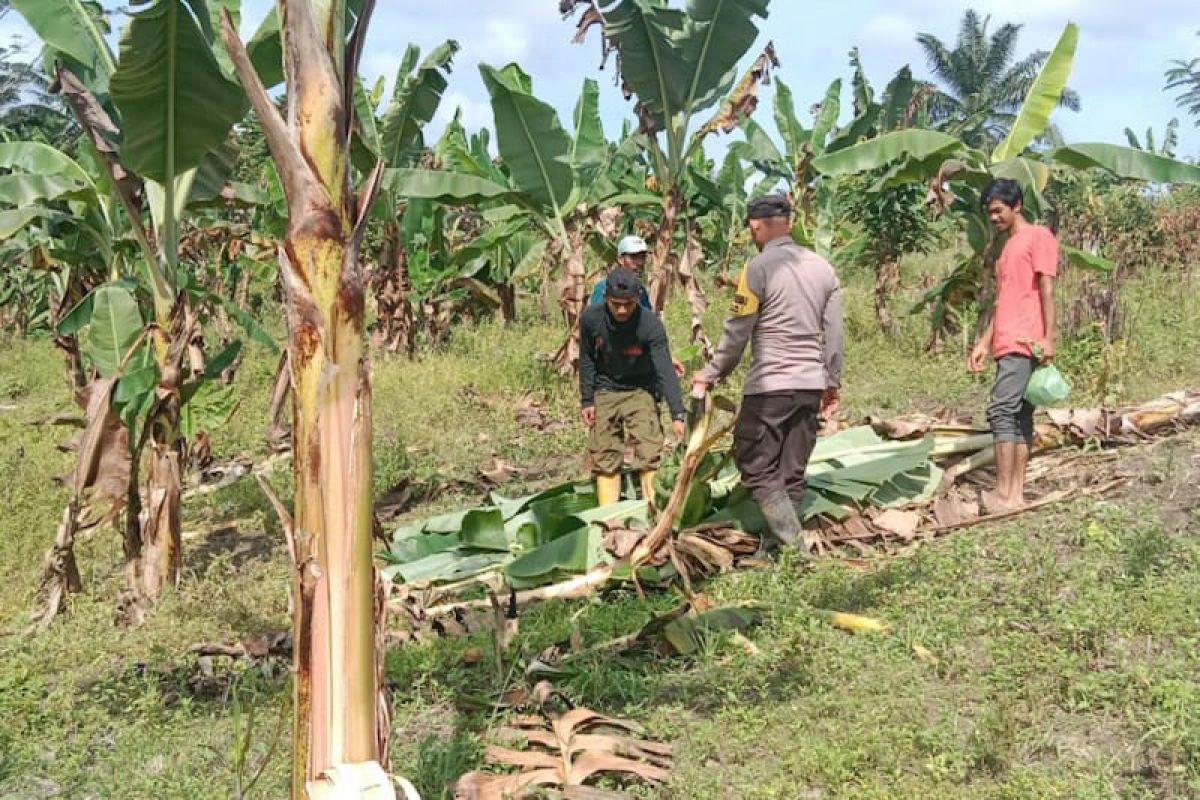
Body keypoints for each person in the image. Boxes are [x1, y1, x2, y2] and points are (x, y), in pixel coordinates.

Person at [692, 195, 844, 556]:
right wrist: (832, 381)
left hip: (771, 385)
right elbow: (834, 333)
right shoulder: (824, 269)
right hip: (810, 383)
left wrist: (713, 372)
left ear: (755, 226)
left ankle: (794, 548)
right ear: (789, 223)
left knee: (755, 462)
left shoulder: (757, 269)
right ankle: (777, 547)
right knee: (791, 470)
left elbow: (737, 331)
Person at [968, 178, 1058, 511]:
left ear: (1016, 205)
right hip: (1006, 339)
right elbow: (1002, 300)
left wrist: (1049, 337)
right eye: (989, 212)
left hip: (1025, 340)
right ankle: (1015, 495)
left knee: (1001, 412)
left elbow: (1047, 289)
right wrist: (984, 341)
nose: (993, 218)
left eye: (997, 210)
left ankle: (1004, 494)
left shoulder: (1038, 237)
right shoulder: (1008, 248)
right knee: (1019, 416)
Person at [580, 267, 686, 507]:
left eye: (628, 304)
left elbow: (664, 369)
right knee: (605, 456)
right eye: (616, 303)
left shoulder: (650, 325)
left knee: (649, 453)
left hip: (641, 388)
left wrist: (677, 413)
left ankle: (653, 513)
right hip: (605, 388)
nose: (621, 310)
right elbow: (586, 359)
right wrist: (587, 400)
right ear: (606, 297)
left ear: (637, 298)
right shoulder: (590, 319)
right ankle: (609, 520)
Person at [589, 234, 653, 309]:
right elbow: (594, 317)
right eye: (633, 257)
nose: (640, 262)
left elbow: (647, 317)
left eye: (643, 257)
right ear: (620, 259)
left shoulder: (641, 289)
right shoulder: (604, 287)